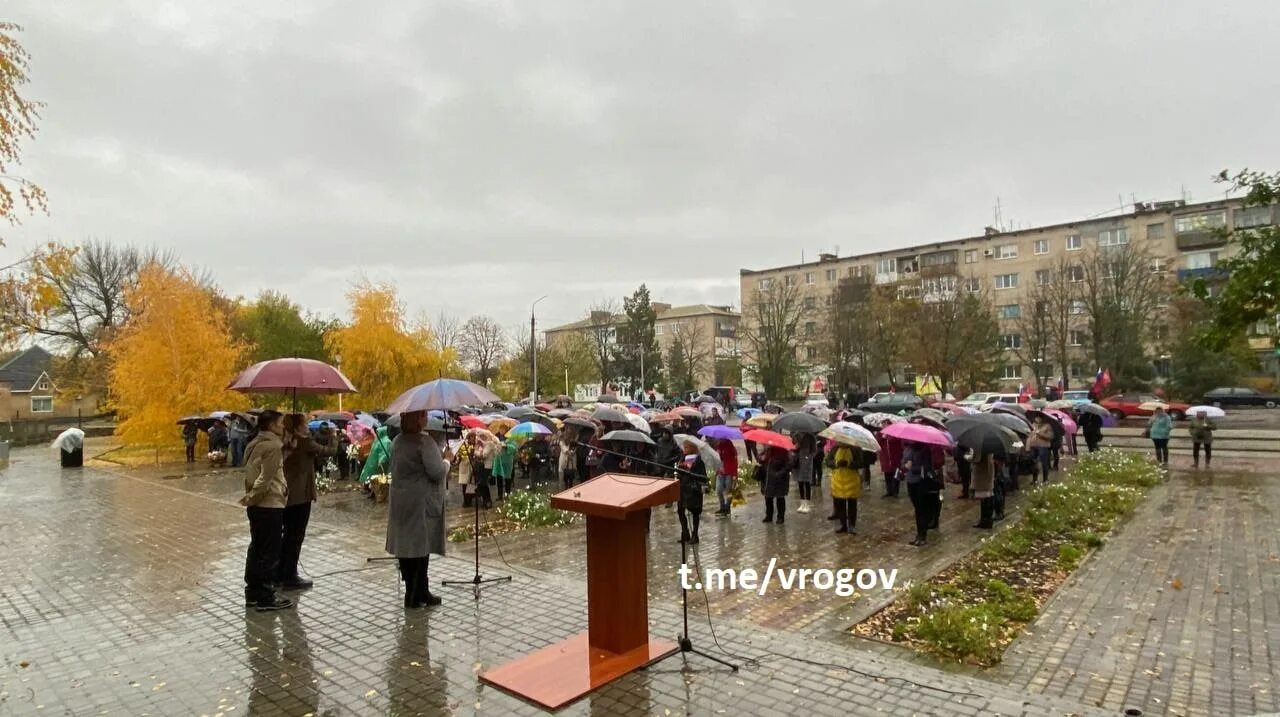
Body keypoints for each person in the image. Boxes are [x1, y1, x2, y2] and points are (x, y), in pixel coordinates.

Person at [385, 411, 451, 609]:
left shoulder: (397, 441)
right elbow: (437, 472)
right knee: (421, 547)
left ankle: (416, 591)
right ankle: (416, 594)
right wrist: (447, 459)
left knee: (406, 547)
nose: (427, 419)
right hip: (419, 502)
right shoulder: (425, 442)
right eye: (424, 416)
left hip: (400, 500)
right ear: (418, 420)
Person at [239, 410, 291, 611]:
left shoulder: (254, 443)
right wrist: (253, 497)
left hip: (258, 506)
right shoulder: (272, 446)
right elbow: (265, 478)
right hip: (269, 505)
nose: (283, 427)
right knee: (269, 551)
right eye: (280, 424)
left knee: (257, 547)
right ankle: (266, 597)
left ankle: (253, 591)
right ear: (270, 426)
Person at [279, 413, 335, 590]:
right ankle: (290, 575)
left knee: (288, 535)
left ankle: (283, 571)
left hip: (287, 494)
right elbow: (329, 451)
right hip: (301, 496)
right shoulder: (304, 442)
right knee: (296, 536)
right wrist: (333, 436)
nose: (308, 427)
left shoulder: (286, 441)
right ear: (297, 427)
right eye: (305, 424)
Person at [902, 440, 935, 546]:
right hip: (910, 481)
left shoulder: (924, 449)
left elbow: (927, 467)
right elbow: (902, 462)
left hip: (921, 482)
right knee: (917, 509)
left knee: (922, 509)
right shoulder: (907, 449)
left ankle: (922, 535)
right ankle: (918, 534)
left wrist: (914, 468)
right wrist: (905, 466)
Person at [677, 440, 706, 543]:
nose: (684, 449)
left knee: (695, 513)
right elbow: (679, 474)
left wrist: (691, 471)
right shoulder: (682, 459)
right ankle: (685, 533)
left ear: (692, 448)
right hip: (683, 488)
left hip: (693, 491)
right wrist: (680, 467)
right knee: (680, 511)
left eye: (686, 447)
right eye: (684, 447)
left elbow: (703, 477)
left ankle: (695, 535)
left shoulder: (698, 461)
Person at [829, 444, 862, 534]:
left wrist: (849, 464)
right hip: (838, 481)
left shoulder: (856, 449)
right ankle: (843, 525)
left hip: (852, 481)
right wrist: (836, 463)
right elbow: (828, 461)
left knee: (852, 505)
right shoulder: (834, 449)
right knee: (840, 505)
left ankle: (852, 526)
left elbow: (860, 463)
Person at [762, 445, 791, 524]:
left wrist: (779, 474)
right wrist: (762, 458)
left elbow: (788, 466)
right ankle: (769, 516)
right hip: (768, 479)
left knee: (780, 498)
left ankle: (780, 517)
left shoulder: (783, 451)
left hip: (780, 479)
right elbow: (763, 462)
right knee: (768, 497)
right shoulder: (768, 450)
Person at [970, 450, 996, 529]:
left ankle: (985, 520)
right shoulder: (989, 446)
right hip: (988, 471)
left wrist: (967, 457)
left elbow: (976, 459)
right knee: (988, 497)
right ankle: (988, 519)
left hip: (982, 474)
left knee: (984, 498)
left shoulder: (980, 447)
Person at [792, 434, 817, 514]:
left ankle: (807, 504)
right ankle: (802, 503)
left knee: (807, 482)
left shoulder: (811, 436)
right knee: (800, 482)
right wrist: (795, 446)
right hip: (797, 462)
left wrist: (809, 457)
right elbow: (791, 447)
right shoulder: (796, 435)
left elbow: (814, 451)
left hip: (807, 462)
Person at [714, 437, 738, 516]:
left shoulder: (730, 445)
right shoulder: (718, 446)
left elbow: (735, 460)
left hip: (729, 472)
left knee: (729, 492)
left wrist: (734, 474)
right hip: (720, 472)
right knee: (718, 490)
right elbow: (717, 459)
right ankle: (722, 507)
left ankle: (727, 508)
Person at [1026, 416, 1054, 485]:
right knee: (1032, 462)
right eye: (1036, 417)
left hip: (1043, 446)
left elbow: (1050, 436)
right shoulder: (1033, 425)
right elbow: (1029, 436)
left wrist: (1040, 434)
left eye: (1039, 417)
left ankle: (1045, 479)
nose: (1037, 419)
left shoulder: (1047, 426)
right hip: (1033, 446)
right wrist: (1027, 447)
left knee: (1044, 463)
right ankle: (1034, 479)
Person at [492, 430, 516, 498]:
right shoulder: (497, 438)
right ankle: (499, 495)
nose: (502, 431)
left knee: (507, 479)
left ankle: (507, 495)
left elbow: (514, 448)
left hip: (507, 463)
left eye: (503, 429)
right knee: (499, 479)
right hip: (499, 462)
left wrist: (506, 446)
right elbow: (494, 448)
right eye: (501, 429)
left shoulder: (511, 439)